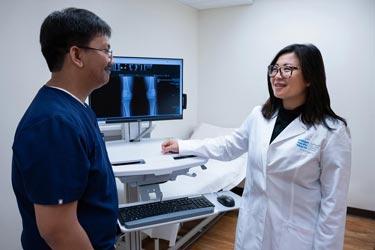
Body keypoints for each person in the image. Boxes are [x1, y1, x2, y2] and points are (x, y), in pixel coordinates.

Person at [162, 44, 351, 250]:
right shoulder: (259, 116)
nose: (277, 76)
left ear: (310, 78)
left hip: (297, 237)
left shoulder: (331, 131)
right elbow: (228, 146)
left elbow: (333, 205)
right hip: (252, 227)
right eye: (274, 69)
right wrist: (182, 145)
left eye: (287, 69)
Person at [11, 8, 118, 250]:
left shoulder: (75, 109)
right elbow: (58, 230)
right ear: (77, 55)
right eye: (105, 50)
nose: (112, 59)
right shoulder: (53, 124)